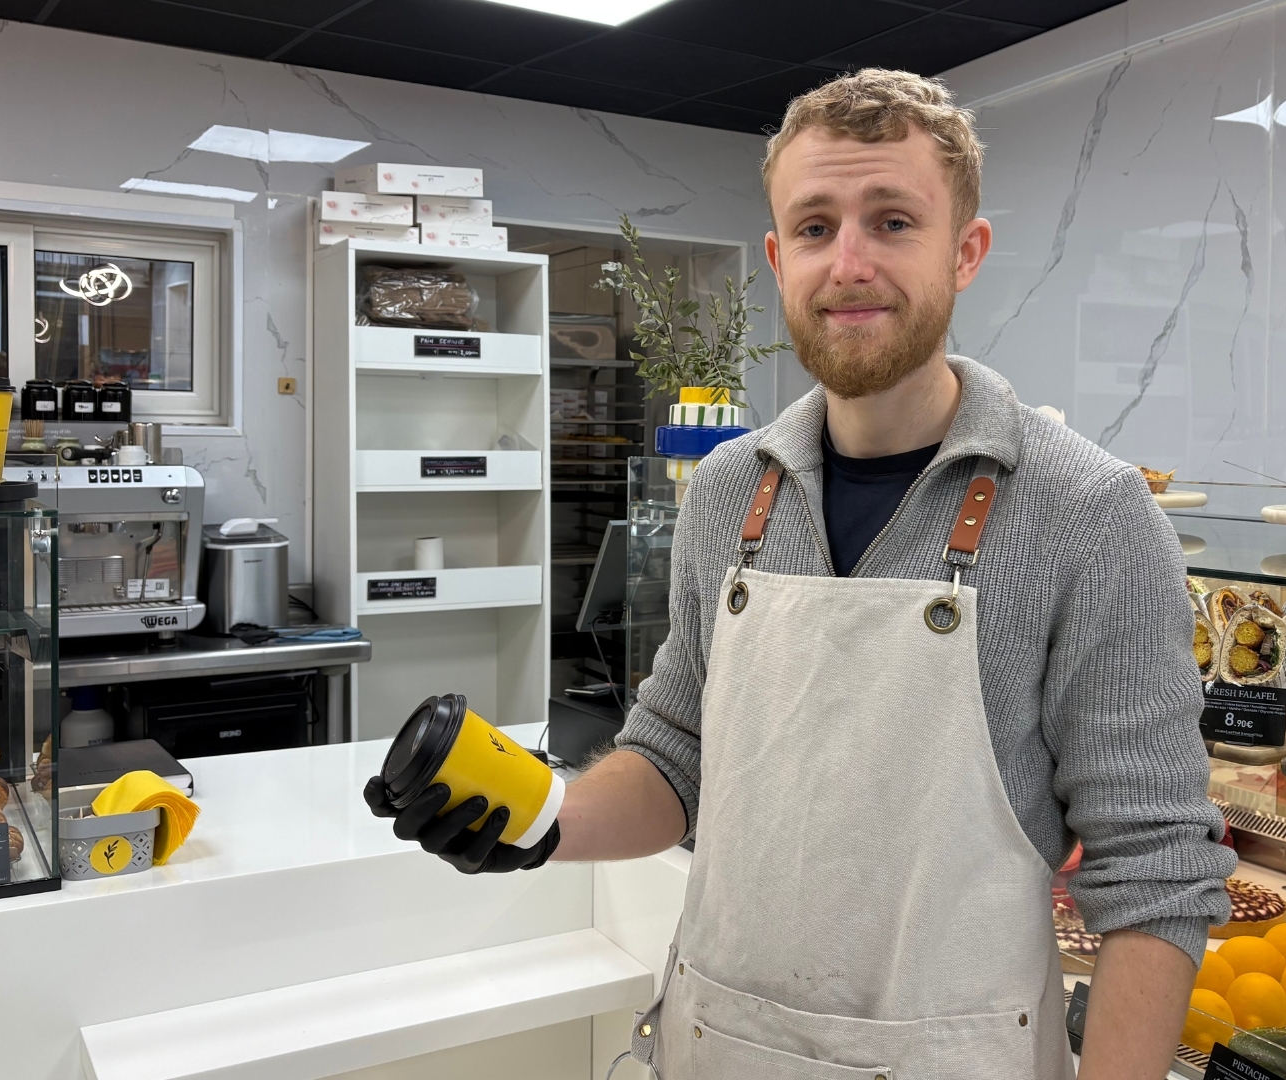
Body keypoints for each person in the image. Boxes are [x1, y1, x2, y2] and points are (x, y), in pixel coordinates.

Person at [367, 68, 1235, 1079]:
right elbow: (674, 757)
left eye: (894, 221)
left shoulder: (1089, 512)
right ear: (779, 260)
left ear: (966, 251)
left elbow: (1155, 871)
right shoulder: (732, 488)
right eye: (816, 228)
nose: (850, 262)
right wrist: (538, 823)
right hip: (715, 1048)